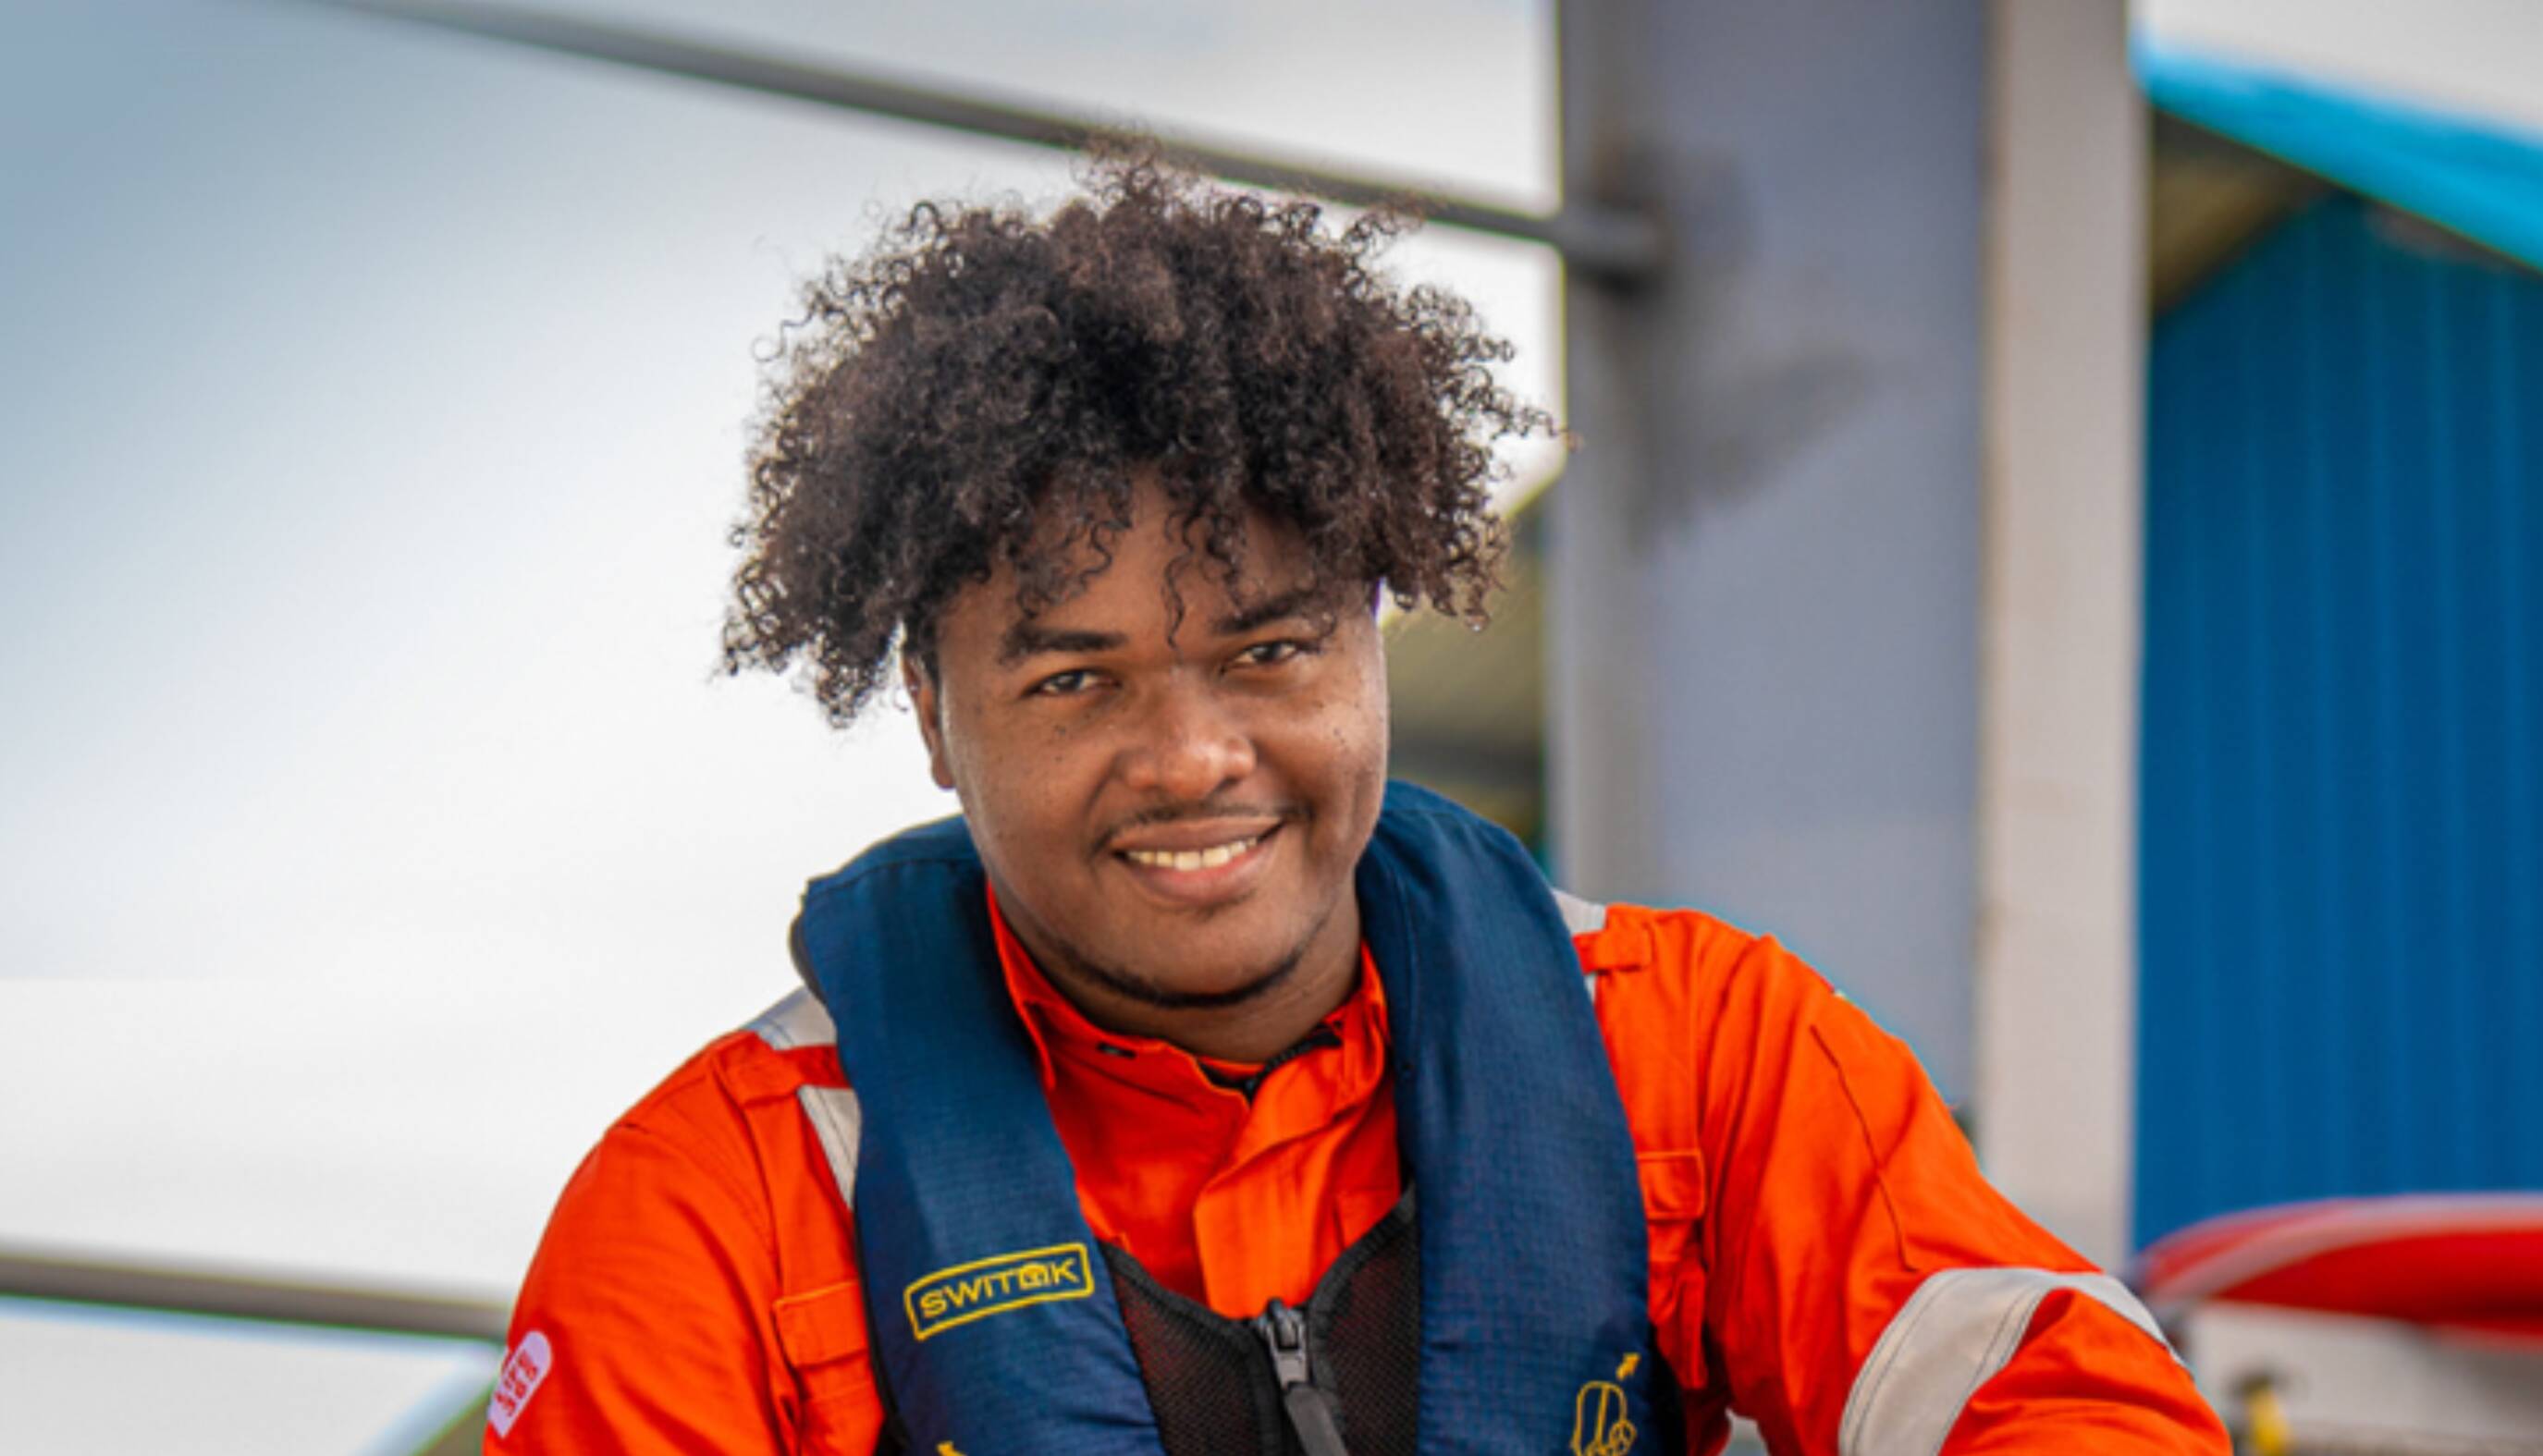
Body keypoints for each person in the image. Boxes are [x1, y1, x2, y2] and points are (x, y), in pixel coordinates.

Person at [486, 158, 2229, 1454]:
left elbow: (2073, 1398)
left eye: (1267, 649)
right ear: (933, 717)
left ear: (1375, 642)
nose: (1192, 758)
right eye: (1072, 679)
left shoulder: (1700, 1050)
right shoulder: (718, 1207)